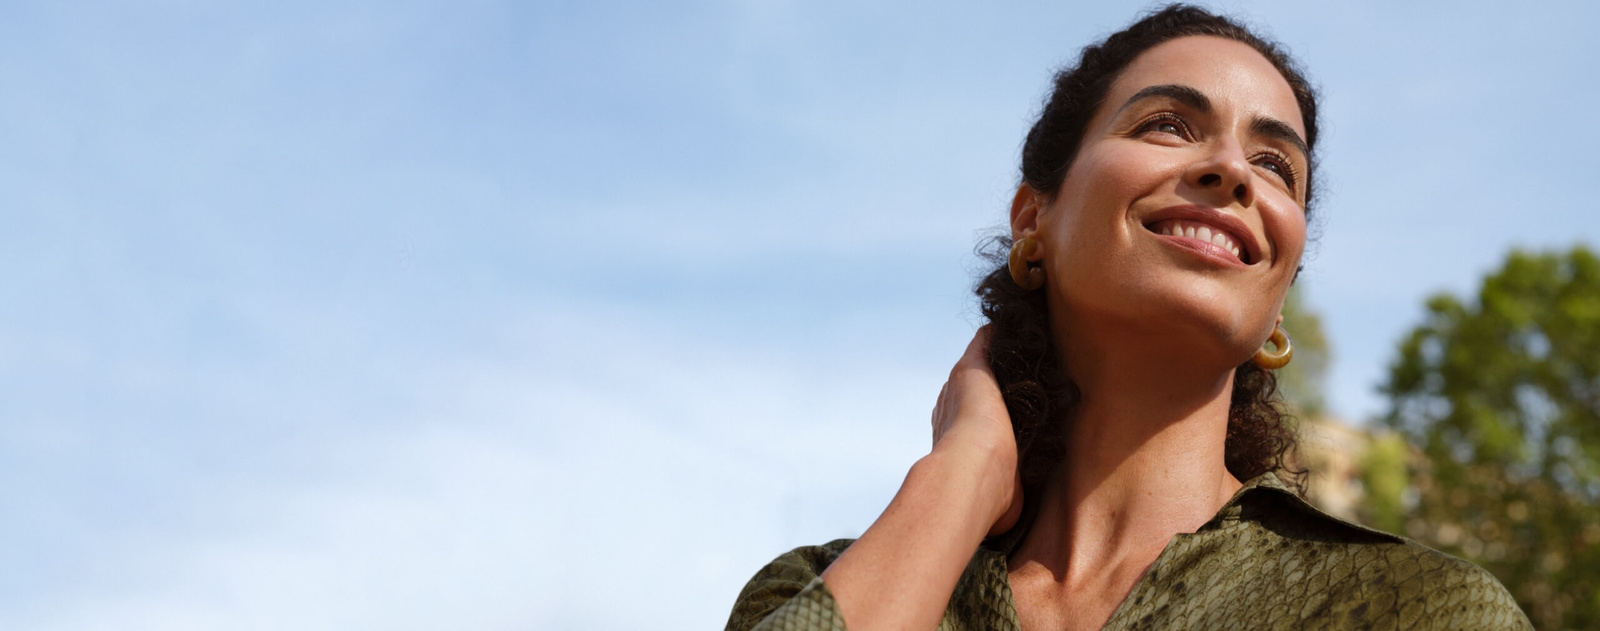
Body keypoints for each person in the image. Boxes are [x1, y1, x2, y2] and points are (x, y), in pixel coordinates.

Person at [724, 5, 1531, 631]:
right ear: (1032, 219)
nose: (1230, 172)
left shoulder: (1419, 607)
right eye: (1167, 125)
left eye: (1275, 165)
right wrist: (959, 477)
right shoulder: (815, 588)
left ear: (1278, 290)